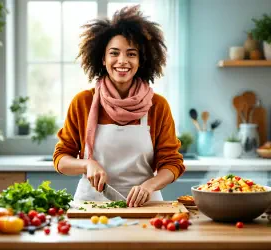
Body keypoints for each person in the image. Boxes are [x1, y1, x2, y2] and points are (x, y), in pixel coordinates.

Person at [53, 5, 184, 207]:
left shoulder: (157, 105)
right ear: (103, 59)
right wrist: (86, 164)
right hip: (90, 205)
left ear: (141, 61)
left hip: (145, 206)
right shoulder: (83, 103)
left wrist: (149, 186)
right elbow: (61, 159)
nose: (122, 61)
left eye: (131, 54)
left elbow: (172, 163)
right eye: (114, 53)